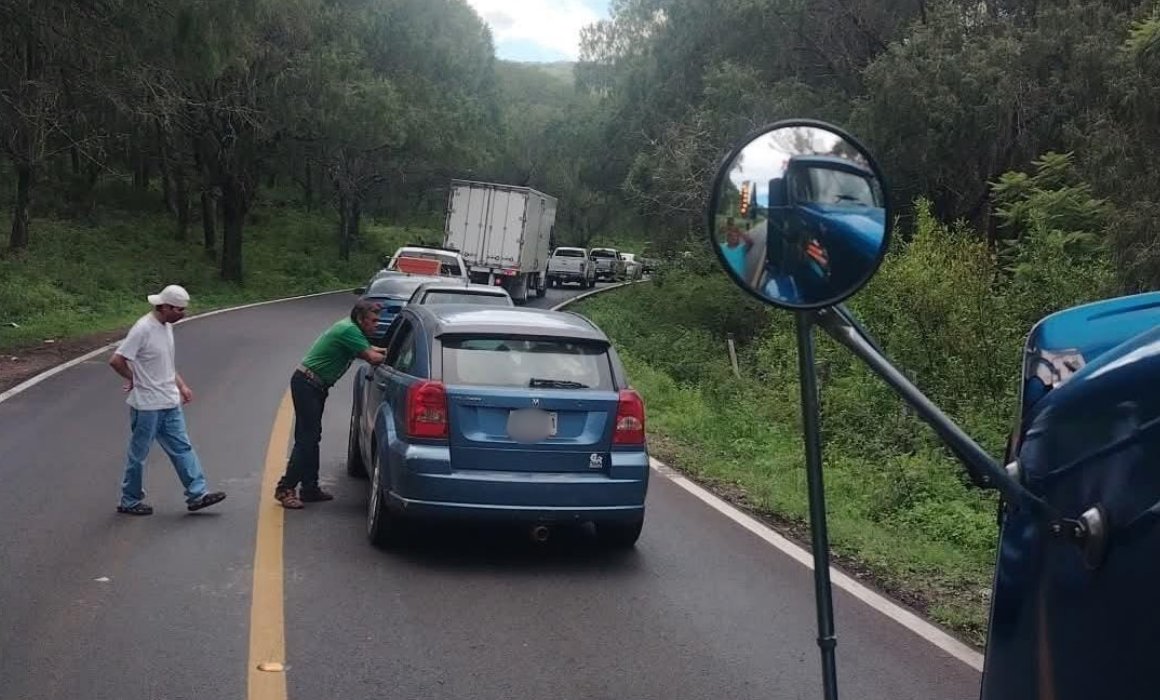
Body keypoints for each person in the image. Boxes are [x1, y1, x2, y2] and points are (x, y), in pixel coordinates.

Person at [108, 284, 227, 515]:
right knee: (139, 455)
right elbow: (116, 360)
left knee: (182, 448)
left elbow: (165, 364)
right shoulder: (143, 328)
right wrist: (134, 378)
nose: (183, 314)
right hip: (147, 406)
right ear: (164, 307)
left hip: (169, 402)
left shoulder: (166, 327)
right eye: (179, 310)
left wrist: (181, 385)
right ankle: (129, 500)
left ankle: (197, 494)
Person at [274, 301, 387, 509]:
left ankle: (309, 488)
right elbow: (372, 357)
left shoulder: (352, 330)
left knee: (312, 437)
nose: (376, 325)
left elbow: (371, 349)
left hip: (314, 385)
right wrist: (395, 357)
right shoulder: (349, 330)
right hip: (308, 383)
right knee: (306, 439)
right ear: (360, 319)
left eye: (378, 320)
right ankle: (285, 488)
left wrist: (389, 350)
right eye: (373, 320)